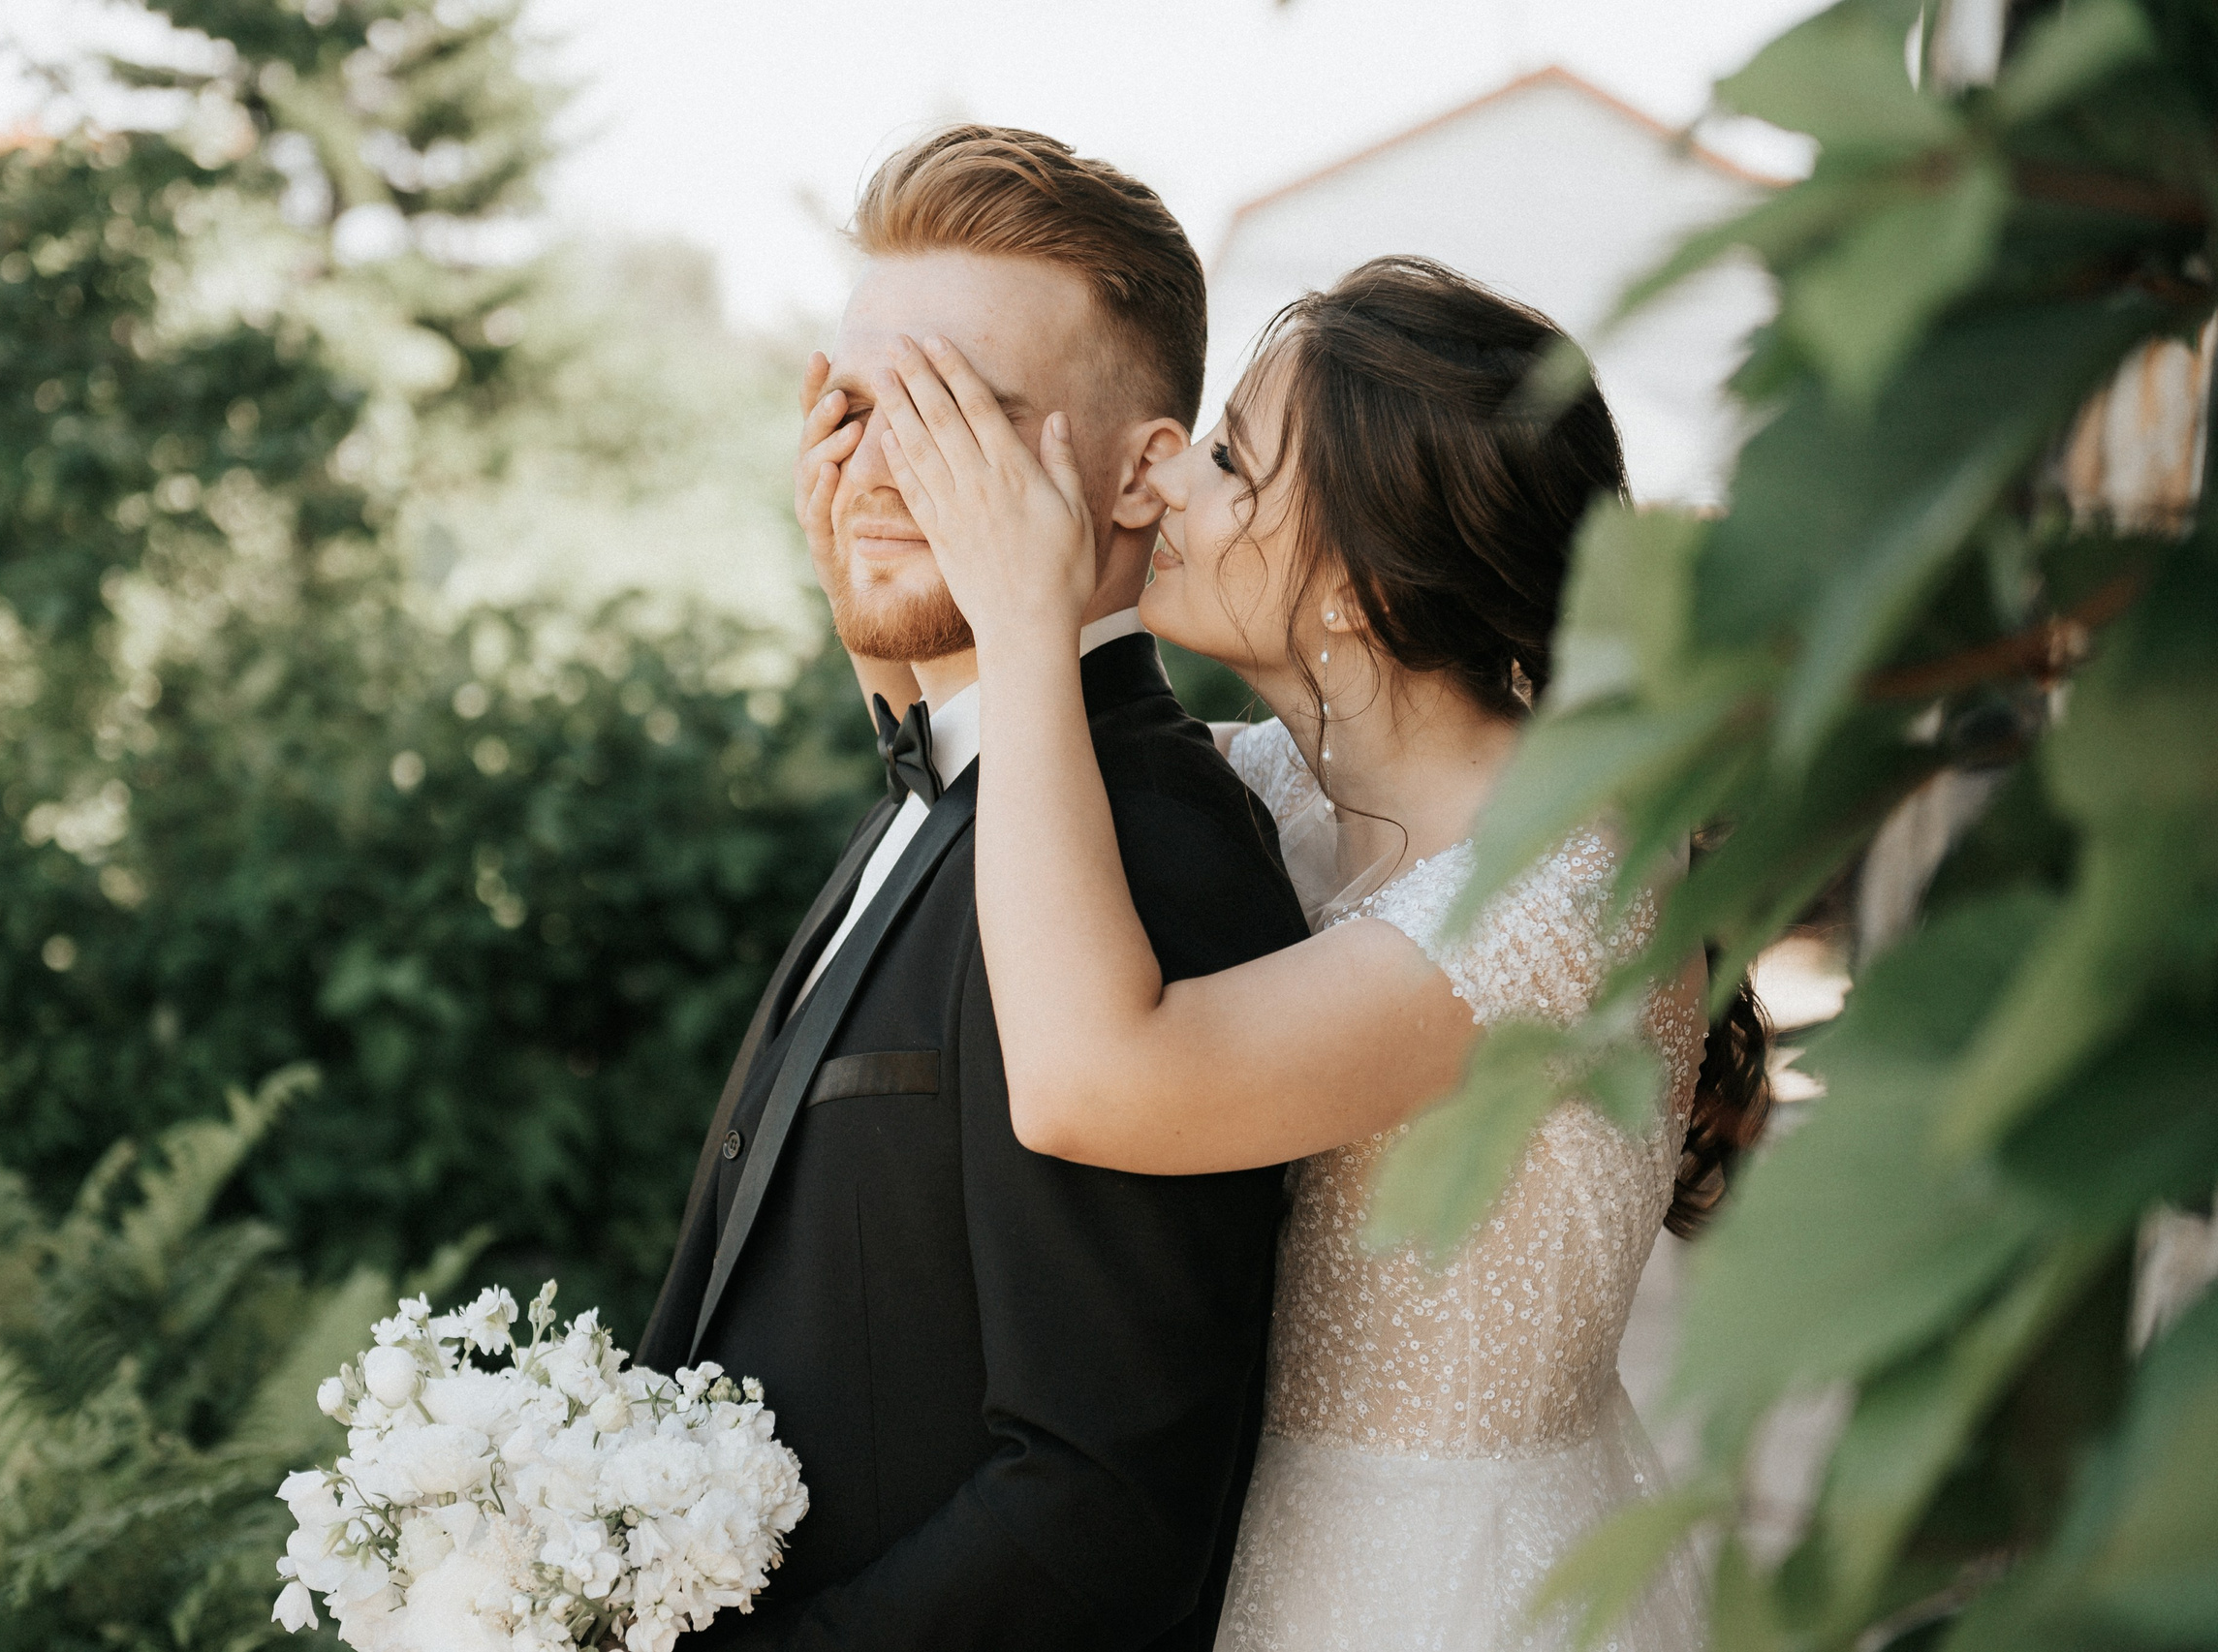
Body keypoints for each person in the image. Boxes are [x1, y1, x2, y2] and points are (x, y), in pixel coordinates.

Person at [868, 254, 1771, 1651]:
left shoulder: (1555, 895)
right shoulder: (1289, 787)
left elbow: (1091, 1083)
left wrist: (1026, 621)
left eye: (1232, 459)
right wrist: (885, 574)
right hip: (1268, 1541)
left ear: (1361, 586)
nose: (1176, 476)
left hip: (1446, 1593)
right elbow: (1012, 802)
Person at [637, 126, 1310, 1651]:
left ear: (1140, 475)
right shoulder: (939, 777)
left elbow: (1100, 1505)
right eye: (859, 406)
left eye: (957, 417)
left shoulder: (1145, 851)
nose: (880, 467)